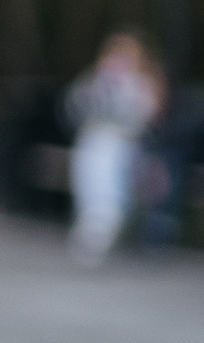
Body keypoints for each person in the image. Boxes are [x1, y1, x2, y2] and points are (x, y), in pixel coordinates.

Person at [65, 29, 164, 261]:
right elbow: (74, 108)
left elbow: (145, 118)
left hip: (126, 144)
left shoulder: (144, 84)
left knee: (108, 165)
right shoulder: (94, 80)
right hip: (94, 139)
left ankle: (104, 224)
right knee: (90, 161)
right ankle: (92, 223)